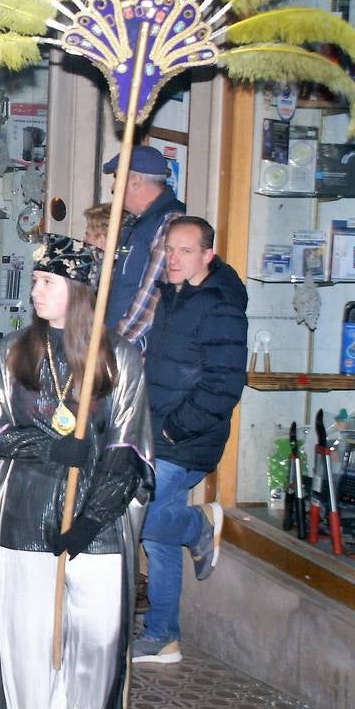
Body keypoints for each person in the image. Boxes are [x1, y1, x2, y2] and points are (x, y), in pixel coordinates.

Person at [0, 234, 153, 709]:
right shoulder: (9, 352)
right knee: (29, 638)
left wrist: (94, 520)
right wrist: (47, 447)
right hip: (27, 514)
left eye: (46, 282)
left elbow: (128, 449)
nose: (34, 291)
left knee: (98, 633)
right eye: (34, 281)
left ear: (76, 291)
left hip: (92, 523)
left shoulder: (118, 357)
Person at [135, 216, 247, 664]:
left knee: (134, 520)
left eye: (185, 251)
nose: (174, 259)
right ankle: (162, 634)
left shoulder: (219, 307)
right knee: (157, 539)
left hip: (185, 439)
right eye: (169, 250)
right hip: (155, 431)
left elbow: (222, 386)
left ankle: (199, 525)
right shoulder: (171, 297)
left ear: (207, 256)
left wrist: (171, 429)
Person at [101, 146, 185, 347]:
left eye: (116, 178)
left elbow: (151, 298)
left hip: (137, 353)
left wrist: (114, 347)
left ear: (135, 181)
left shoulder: (169, 223)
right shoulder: (138, 223)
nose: (113, 188)